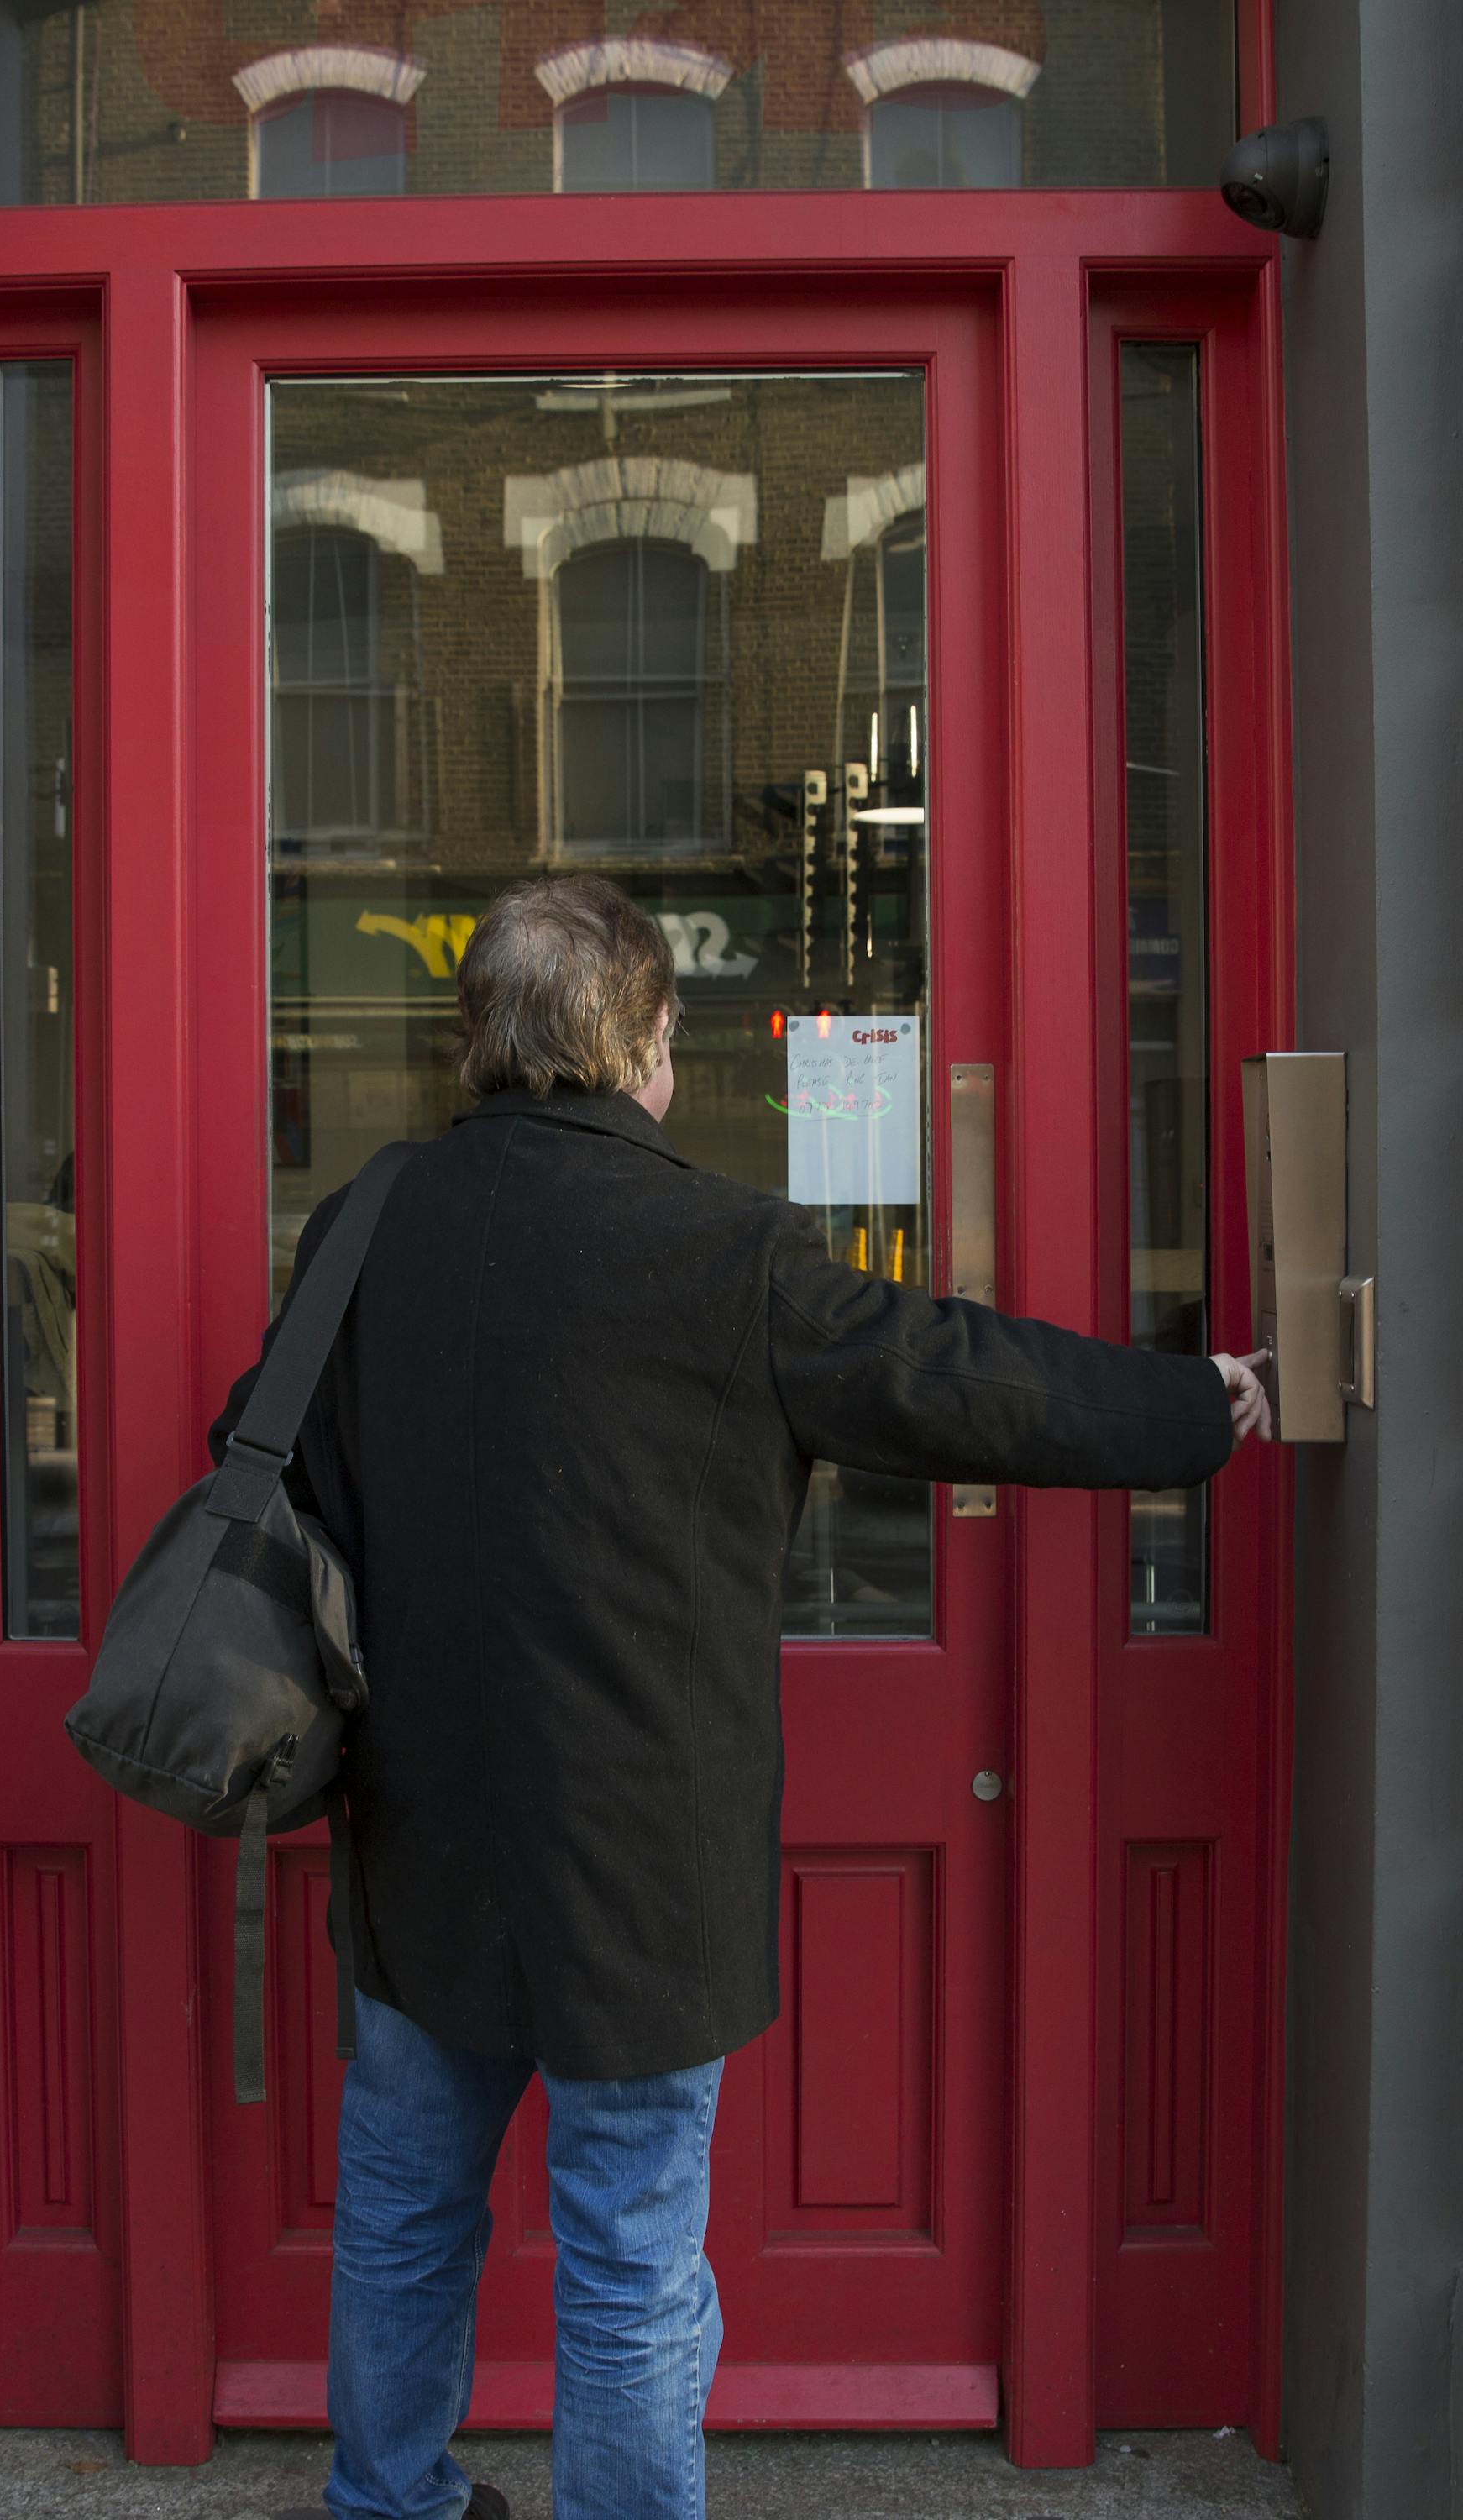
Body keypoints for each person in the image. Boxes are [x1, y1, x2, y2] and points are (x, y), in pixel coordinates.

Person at [211, 874, 1270, 2520]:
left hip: (418, 1823)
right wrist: (1199, 1404)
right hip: (646, 1851)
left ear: (476, 1042)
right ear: (643, 1043)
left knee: (404, 2207)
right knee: (629, 2251)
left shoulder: (368, 1219)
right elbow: (962, 1381)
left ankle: (387, 2502)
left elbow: (268, 1456)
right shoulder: (727, 1251)